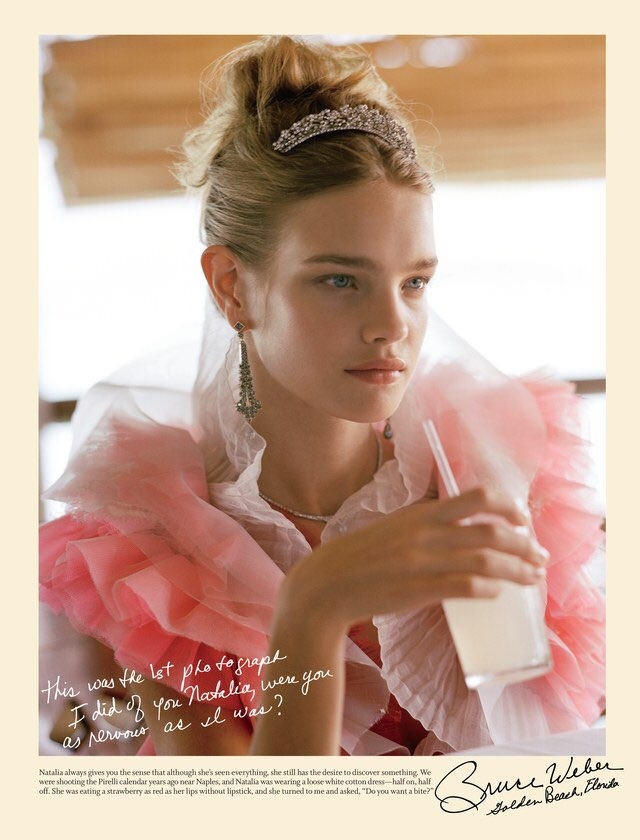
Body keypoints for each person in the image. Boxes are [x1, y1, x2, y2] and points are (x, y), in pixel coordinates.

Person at [39, 35, 605, 757]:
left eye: (415, 282)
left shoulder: (494, 469)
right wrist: (314, 607)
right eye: (340, 280)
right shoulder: (158, 547)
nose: (392, 325)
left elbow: (562, 767)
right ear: (232, 287)